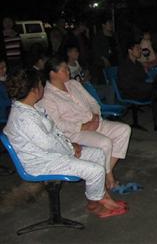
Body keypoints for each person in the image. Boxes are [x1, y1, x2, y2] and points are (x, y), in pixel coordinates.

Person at [5, 68, 128, 218]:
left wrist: (70, 144)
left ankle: (102, 196)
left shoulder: (32, 107)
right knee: (95, 170)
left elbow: (53, 134)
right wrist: (71, 148)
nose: (43, 86)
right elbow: (48, 144)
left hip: (52, 153)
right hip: (42, 161)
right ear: (34, 90)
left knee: (98, 154)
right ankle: (94, 205)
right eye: (40, 84)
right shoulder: (24, 118)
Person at [38, 57, 132, 190]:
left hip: (94, 122)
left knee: (124, 130)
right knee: (105, 143)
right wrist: (83, 126)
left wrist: (95, 116)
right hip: (75, 132)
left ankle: (105, 171)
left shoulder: (73, 84)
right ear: (53, 74)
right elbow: (57, 123)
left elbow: (93, 102)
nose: (68, 71)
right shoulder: (48, 96)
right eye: (64, 70)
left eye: (67, 68)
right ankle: (109, 176)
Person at [92, 17, 118, 82]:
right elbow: (96, 50)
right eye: (109, 23)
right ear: (103, 25)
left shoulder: (114, 35)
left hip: (115, 61)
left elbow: (117, 48)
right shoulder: (98, 37)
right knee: (105, 81)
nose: (111, 25)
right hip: (103, 63)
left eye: (111, 23)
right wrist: (104, 59)